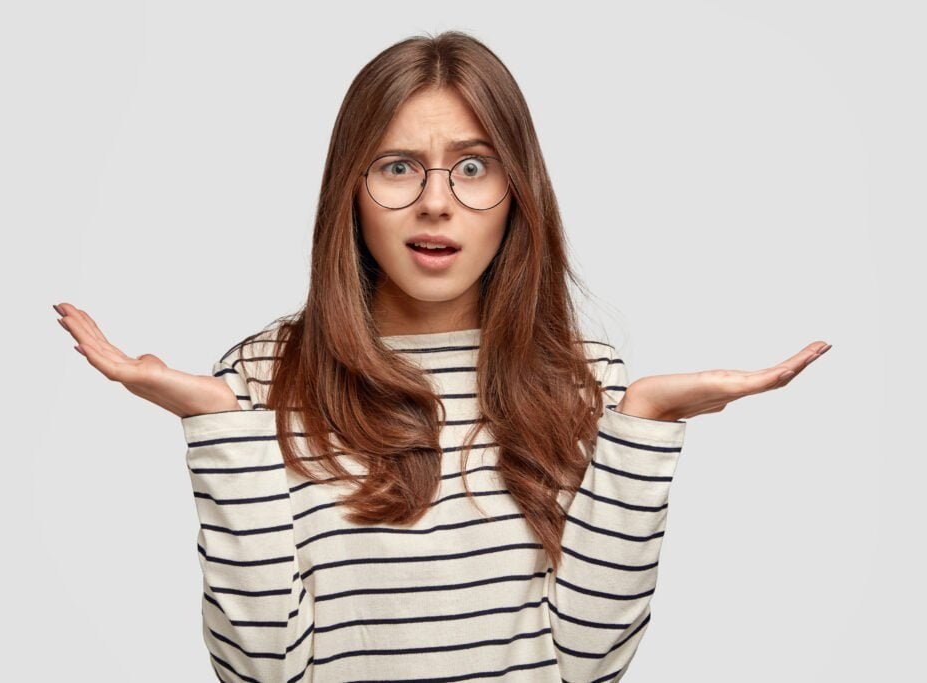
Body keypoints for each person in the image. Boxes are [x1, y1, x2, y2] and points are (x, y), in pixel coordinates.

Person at [53, 30, 830, 683]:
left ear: (517, 189)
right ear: (349, 191)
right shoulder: (263, 374)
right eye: (397, 167)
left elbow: (591, 664)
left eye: (473, 166)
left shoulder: (582, 378)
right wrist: (216, 422)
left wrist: (646, 423)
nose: (435, 200)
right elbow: (258, 669)